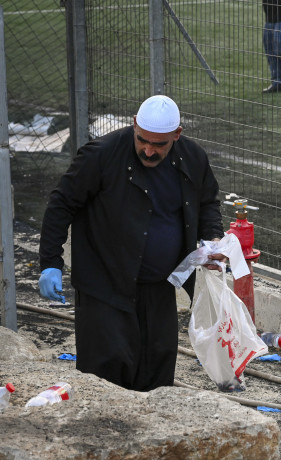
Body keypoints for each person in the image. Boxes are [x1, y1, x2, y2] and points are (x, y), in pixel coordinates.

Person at [38, 95, 227, 391]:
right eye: (142, 140)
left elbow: (206, 203)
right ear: (134, 125)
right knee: (107, 370)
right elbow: (61, 204)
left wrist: (213, 238)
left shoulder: (192, 158)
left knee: (157, 369)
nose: (149, 150)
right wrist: (50, 262)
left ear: (176, 135)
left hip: (160, 286)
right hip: (105, 284)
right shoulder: (101, 155)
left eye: (159, 144)